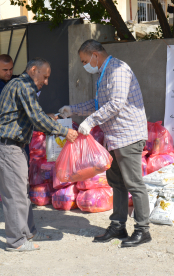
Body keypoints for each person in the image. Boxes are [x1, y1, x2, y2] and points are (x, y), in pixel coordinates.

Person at [59, 39, 151, 248]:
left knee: (134, 183)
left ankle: (142, 230)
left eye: (84, 60)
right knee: (116, 182)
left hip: (128, 136)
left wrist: (90, 122)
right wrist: (72, 109)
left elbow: (116, 104)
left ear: (95, 55)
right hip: (115, 138)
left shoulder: (117, 70)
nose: (84, 65)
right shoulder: (105, 72)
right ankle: (118, 225)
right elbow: (98, 103)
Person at [0, 58, 78, 252]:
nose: (46, 82)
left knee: (22, 193)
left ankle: (28, 233)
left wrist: (49, 119)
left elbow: (32, 114)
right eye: (44, 77)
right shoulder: (23, 85)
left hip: (14, 146)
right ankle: (15, 242)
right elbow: (36, 118)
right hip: (8, 147)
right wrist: (64, 131)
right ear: (33, 70)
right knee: (15, 195)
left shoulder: (18, 84)